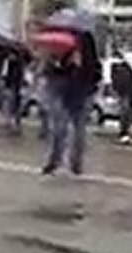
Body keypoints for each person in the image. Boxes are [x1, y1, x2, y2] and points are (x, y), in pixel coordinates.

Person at [40, 29, 101, 176]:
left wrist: (76, 66)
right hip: (70, 90)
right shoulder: (62, 41)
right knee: (65, 127)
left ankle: (68, 162)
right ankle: (63, 162)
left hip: (77, 91)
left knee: (69, 128)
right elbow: (49, 70)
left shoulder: (80, 40)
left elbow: (92, 69)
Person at [110, 58, 132, 146]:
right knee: (126, 111)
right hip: (127, 92)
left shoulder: (123, 68)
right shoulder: (122, 68)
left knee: (128, 112)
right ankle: (124, 132)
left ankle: (126, 132)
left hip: (131, 92)